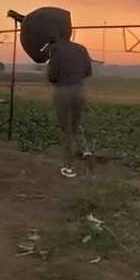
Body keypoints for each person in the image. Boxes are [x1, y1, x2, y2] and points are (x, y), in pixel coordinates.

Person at [45, 34, 93, 178]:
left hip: (63, 90)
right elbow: (88, 72)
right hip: (79, 89)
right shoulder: (80, 48)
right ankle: (86, 152)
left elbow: (52, 76)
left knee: (66, 130)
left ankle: (68, 167)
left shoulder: (55, 49)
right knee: (76, 123)